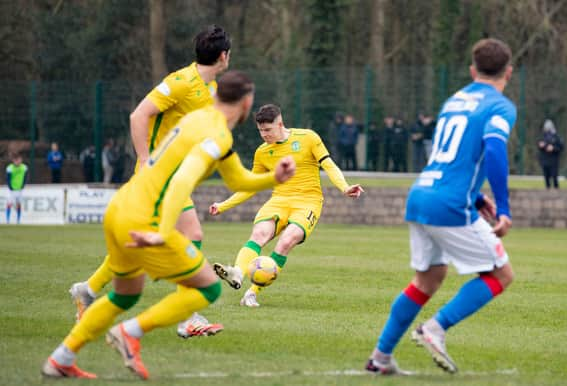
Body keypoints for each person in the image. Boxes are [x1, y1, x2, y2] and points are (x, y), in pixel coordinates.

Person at [41, 71, 296, 380]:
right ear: (247, 103)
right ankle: (130, 332)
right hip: (144, 218)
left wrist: (274, 178)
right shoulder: (216, 134)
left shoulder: (201, 119)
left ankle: (61, 358)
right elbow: (182, 181)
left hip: (122, 207)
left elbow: (237, 178)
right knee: (208, 287)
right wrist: (161, 232)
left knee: (125, 295)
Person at [69, 25, 231, 338]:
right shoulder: (181, 82)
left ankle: (87, 291)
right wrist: (144, 160)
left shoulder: (210, 89)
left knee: (138, 247)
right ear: (224, 56)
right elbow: (138, 116)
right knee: (190, 234)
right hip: (156, 177)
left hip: (174, 177)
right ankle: (187, 315)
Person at [366, 38, 516, 375]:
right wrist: (503, 208)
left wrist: (477, 196)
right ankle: (435, 328)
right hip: (449, 203)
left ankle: (380, 358)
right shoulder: (500, 105)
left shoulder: (454, 101)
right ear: (509, 71)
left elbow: (449, 156)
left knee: (428, 279)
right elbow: (493, 150)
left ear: (472, 70)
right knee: (501, 274)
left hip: (422, 193)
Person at [211, 104, 364, 307]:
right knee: (258, 236)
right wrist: (223, 205)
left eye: (268, 130)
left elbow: (328, 164)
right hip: (278, 201)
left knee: (286, 241)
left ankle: (252, 293)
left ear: (280, 124)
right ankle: (237, 273)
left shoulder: (308, 137)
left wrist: (344, 187)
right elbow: (250, 186)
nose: (264, 135)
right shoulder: (262, 152)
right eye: (260, 131)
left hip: (308, 202)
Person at [537, 119, 564, 189]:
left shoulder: (556, 137)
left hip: (553, 159)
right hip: (544, 159)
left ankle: (556, 188)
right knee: (546, 176)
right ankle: (547, 189)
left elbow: (561, 147)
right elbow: (539, 145)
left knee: (554, 175)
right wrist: (541, 145)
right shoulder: (542, 136)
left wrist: (553, 148)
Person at [5, 154, 28, 224]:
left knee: (19, 204)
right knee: (9, 203)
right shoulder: (10, 168)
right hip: (11, 190)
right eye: (17, 160)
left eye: (20, 160)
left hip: (19, 189)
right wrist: (10, 186)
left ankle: (18, 220)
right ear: (14, 160)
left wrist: (23, 185)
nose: (18, 161)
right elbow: (8, 178)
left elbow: (25, 177)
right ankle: (7, 220)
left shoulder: (24, 167)